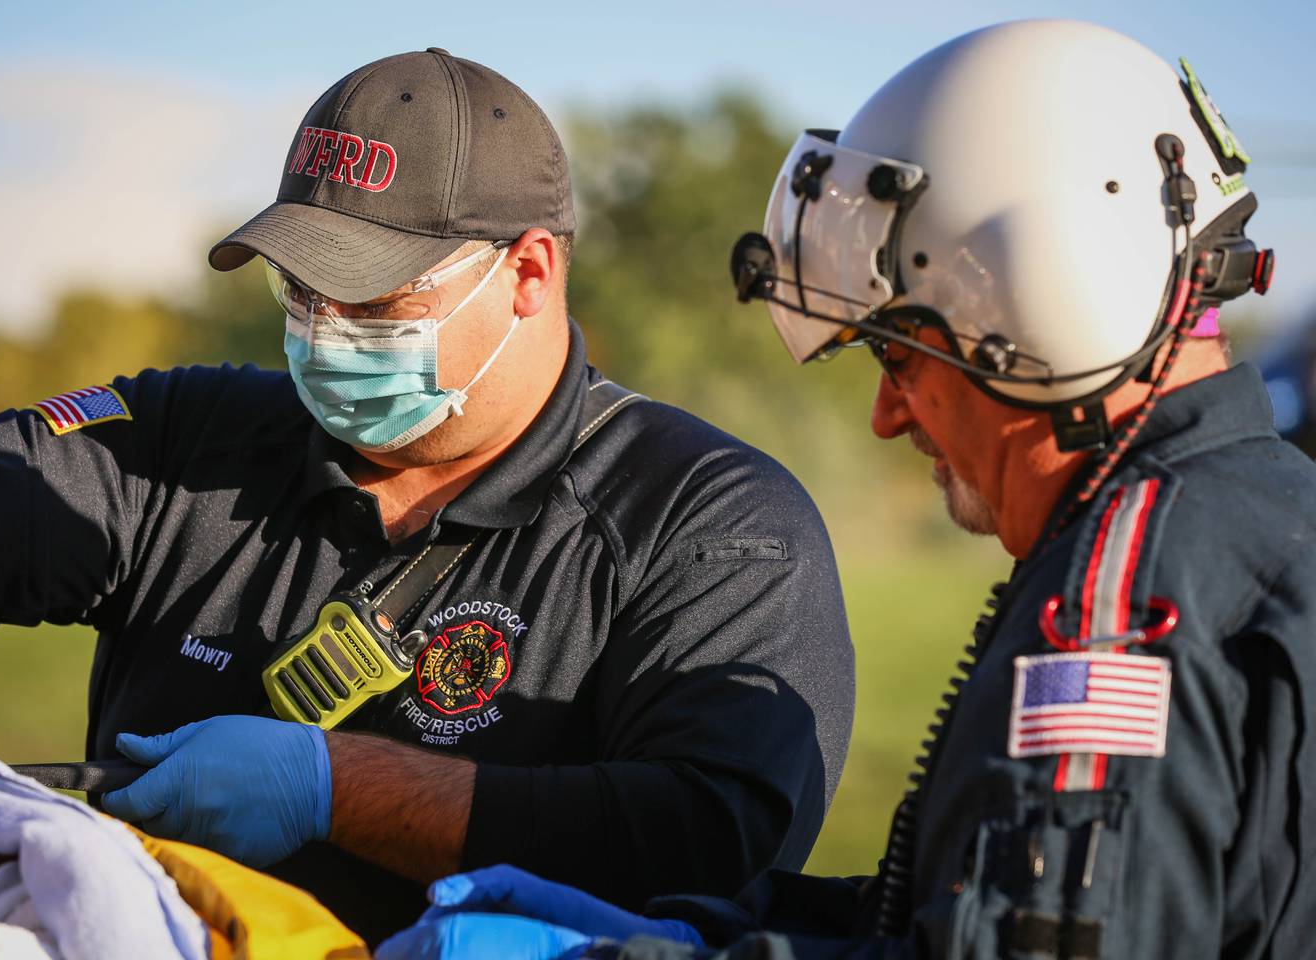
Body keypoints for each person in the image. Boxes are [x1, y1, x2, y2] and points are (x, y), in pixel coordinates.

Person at [376, 20, 1316, 959]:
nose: (886, 416)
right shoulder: (1269, 513)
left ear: (1047, 301)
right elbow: (960, 910)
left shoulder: (1129, 599)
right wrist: (684, 931)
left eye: (898, 354)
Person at [0, 49, 855, 943]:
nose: (320, 332)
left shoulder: (708, 518)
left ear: (527, 271)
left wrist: (336, 788)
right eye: (297, 289)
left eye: (371, 299)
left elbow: (718, 840)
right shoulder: (191, 442)